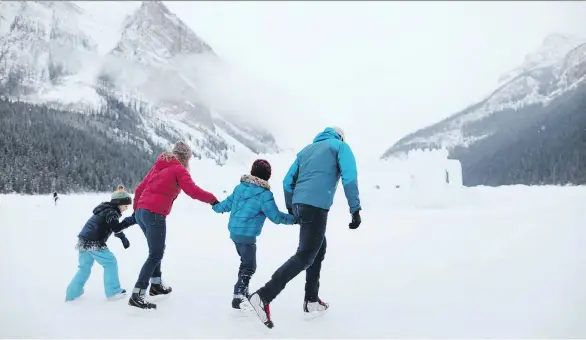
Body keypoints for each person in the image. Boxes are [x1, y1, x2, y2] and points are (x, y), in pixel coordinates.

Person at [246, 127, 362, 328]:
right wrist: (355, 209)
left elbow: (286, 182)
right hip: (316, 206)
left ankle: (311, 300)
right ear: (340, 136)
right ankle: (264, 295)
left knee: (319, 248)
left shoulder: (306, 150)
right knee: (305, 255)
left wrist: (293, 208)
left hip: (301, 204)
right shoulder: (340, 147)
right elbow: (349, 176)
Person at [128, 141, 219, 310]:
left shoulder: (159, 166)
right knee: (156, 253)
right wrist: (213, 199)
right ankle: (138, 294)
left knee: (155, 251)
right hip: (154, 213)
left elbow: (140, 188)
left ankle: (155, 284)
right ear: (186, 158)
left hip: (142, 212)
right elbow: (192, 191)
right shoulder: (179, 169)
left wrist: (136, 210)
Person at [211, 159, 297, 310]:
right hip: (247, 236)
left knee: (245, 263)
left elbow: (227, 204)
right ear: (268, 176)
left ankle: (242, 292)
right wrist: (295, 219)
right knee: (250, 266)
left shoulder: (240, 188)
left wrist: (216, 206)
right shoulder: (265, 195)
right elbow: (276, 217)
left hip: (234, 233)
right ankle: (238, 295)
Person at [65, 186, 135, 302]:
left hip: (83, 240)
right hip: (94, 241)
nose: (127, 208)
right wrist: (129, 221)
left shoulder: (106, 210)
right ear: (119, 203)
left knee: (84, 268)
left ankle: (72, 293)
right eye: (126, 205)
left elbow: (114, 228)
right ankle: (113, 291)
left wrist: (123, 238)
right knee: (110, 262)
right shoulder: (112, 212)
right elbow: (116, 228)